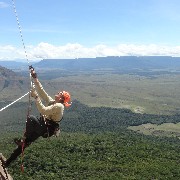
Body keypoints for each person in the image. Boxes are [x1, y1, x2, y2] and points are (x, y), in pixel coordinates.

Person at [2, 67, 71, 167]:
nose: (57, 93)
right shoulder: (54, 102)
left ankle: (25, 141)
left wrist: (36, 97)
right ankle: (7, 162)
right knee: (23, 146)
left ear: (61, 98)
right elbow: (42, 92)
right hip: (42, 126)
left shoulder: (59, 106)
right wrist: (35, 78)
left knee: (31, 118)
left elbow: (43, 110)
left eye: (59, 94)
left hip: (44, 127)